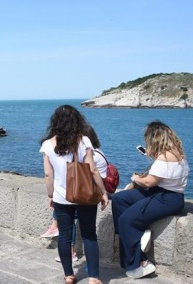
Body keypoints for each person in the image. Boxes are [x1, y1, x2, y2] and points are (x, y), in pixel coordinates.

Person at [39, 105, 109, 284]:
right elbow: (93, 170)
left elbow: (48, 174)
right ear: (77, 121)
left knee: (64, 235)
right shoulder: (84, 140)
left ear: (55, 122)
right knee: (89, 235)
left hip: (62, 197)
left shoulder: (47, 144)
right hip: (84, 195)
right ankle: (93, 277)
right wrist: (103, 192)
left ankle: (69, 275)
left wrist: (51, 195)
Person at [111, 121, 188, 279]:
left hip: (168, 198)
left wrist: (135, 178)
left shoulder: (165, 156)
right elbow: (160, 177)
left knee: (126, 220)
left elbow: (149, 182)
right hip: (160, 193)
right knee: (119, 199)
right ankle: (132, 237)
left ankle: (141, 264)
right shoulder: (174, 152)